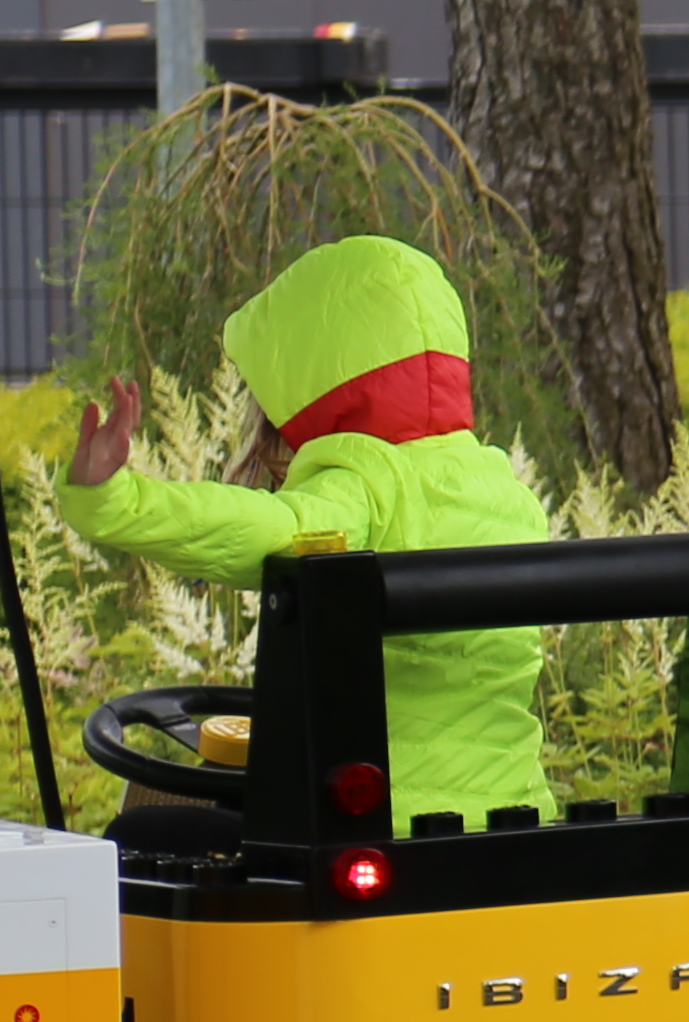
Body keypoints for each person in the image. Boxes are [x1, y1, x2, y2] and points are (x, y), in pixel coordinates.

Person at [58, 233, 562, 827]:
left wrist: (113, 498)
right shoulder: (508, 492)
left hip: (382, 832)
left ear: (314, 382)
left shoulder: (368, 486)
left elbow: (264, 531)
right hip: (517, 823)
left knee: (143, 830)